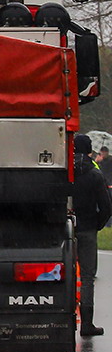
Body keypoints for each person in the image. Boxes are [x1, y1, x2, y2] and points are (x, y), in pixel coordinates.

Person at [74, 133, 112, 336]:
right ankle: (87, 324)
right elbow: (106, 206)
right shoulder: (94, 174)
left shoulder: (65, 172)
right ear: (89, 150)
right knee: (87, 277)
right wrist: (96, 224)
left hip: (66, 228)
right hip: (88, 228)